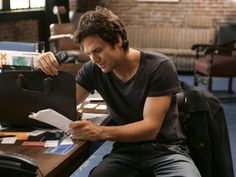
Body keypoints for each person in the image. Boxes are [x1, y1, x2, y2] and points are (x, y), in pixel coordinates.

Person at [35, 6, 201, 177]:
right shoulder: (93, 69)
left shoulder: (159, 66)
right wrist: (42, 68)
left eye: (98, 50)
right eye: (89, 53)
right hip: (125, 152)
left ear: (118, 40)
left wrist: (100, 132)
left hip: (167, 151)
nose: (94, 59)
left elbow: (150, 128)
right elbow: (61, 105)